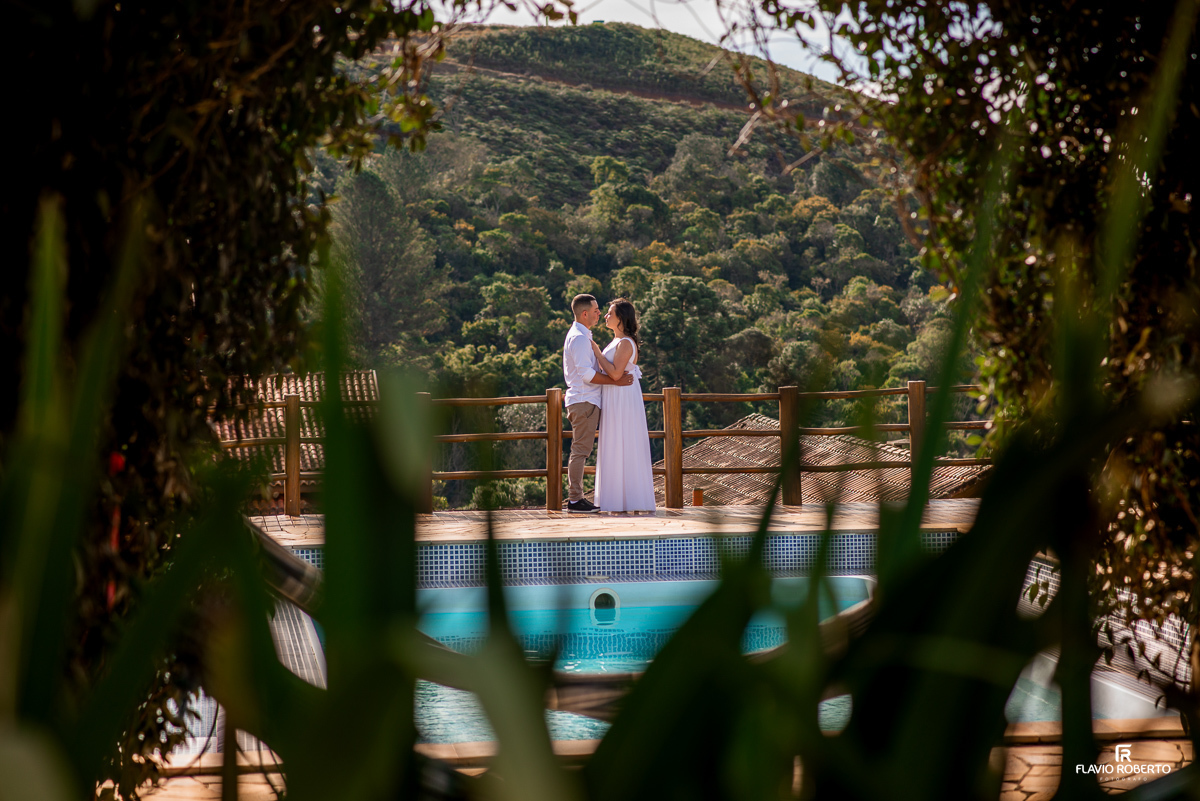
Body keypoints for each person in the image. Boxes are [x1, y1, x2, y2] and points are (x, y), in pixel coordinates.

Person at [562, 294, 634, 513]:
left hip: (585, 400)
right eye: (595, 310)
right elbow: (586, 375)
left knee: (581, 450)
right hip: (584, 401)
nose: (599, 313)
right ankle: (575, 500)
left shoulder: (581, 336)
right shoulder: (581, 339)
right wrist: (617, 380)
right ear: (585, 313)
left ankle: (579, 498)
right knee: (581, 451)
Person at [590, 298, 656, 512]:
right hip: (614, 397)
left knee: (625, 442)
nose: (606, 316)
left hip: (623, 399)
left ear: (621, 318)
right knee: (615, 443)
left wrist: (598, 353)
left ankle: (631, 500)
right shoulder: (617, 341)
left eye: (610, 313)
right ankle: (617, 500)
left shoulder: (626, 343)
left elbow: (617, 373)